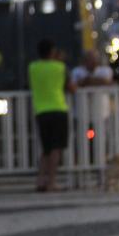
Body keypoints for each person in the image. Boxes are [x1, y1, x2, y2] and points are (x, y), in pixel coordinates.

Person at [28, 39, 75, 192]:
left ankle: (40, 181)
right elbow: (71, 88)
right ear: (52, 52)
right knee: (56, 148)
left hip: (41, 111)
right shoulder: (60, 67)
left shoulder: (33, 67)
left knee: (46, 149)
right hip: (58, 109)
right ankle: (52, 182)